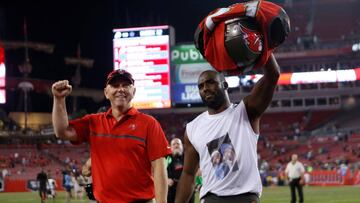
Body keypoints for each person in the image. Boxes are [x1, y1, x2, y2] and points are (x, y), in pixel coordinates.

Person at [51, 69, 171, 203]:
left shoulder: (149, 124)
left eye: (125, 85)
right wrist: (59, 99)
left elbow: (159, 169)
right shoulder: (93, 122)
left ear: (134, 92)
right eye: (115, 85)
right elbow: (62, 132)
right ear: (106, 93)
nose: (121, 89)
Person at [175, 54, 280, 203]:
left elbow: (273, 75)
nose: (205, 88)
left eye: (210, 83)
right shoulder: (193, 128)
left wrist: (262, 44)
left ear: (224, 85)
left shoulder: (245, 112)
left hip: (246, 198)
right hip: (211, 198)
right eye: (201, 86)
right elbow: (188, 174)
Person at [167, 138, 194, 203]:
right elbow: (159, 172)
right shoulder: (166, 159)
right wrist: (166, 179)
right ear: (170, 147)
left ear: (182, 146)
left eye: (178, 144)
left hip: (187, 189)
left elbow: (196, 170)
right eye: (174, 144)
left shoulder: (188, 158)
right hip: (172, 190)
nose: (176, 146)